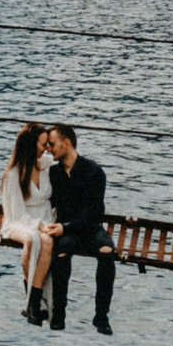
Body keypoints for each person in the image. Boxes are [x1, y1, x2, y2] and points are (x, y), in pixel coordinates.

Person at [42, 123, 112, 334]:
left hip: (90, 228)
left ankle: (101, 316)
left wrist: (65, 227)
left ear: (66, 143)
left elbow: (95, 211)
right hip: (67, 232)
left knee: (107, 251)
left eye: (52, 144)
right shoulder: (53, 173)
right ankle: (58, 312)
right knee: (62, 252)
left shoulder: (94, 171)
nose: (49, 149)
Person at [0, 122, 57, 324]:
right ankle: (33, 299)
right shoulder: (13, 175)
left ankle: (33, 301)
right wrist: (39, 226)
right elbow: (16, 214)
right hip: (18, 220)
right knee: (31, 240)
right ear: (31, 145)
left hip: (46, 217)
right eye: (43, 144)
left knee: (47, 241)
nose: (46, 148)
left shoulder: (46, 164)